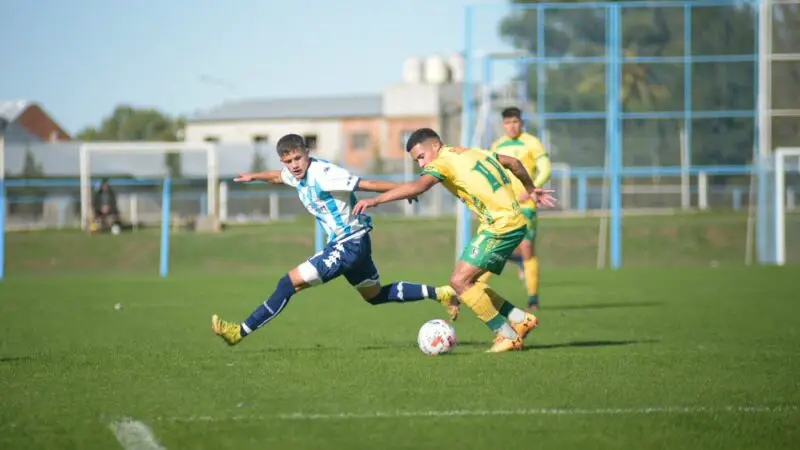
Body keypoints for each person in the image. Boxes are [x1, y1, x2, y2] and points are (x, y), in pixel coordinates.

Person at [211, 134, 459, 346]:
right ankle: (441, 293)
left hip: (348, 244)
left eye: (298, 158)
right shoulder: (292, 174)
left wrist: (406, 190)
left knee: (287, 284)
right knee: (374, 296)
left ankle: (239, 332)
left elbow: (368, 184)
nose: (294, 165)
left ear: (307, 153)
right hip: (355, 243)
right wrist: (254, 176)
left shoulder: (325, 174)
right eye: (288, 161)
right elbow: (278, 176)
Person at [353, 128, 556, 353]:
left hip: (502, 225)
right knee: (468, 283)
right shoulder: (471, 152)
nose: (421, 164)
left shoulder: (442, 161)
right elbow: (514, 163)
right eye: (417, 161)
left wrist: (376, 200)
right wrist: (531, 189)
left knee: (459, 282)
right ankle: (520, 318)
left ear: (435, 146)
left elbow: (419, 186)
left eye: (421, 157)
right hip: (503, 222)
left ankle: (507, 335)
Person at [487, 107, 552, 311]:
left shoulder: (531, 142)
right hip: (505, 205)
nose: (511, 126)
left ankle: (533, 298)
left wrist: (531, 189)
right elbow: (492, 174)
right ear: (503, 124)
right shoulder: (497, 145)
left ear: (521, 122)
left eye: (515, 121)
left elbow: (546, 168)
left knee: (527, 248)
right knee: (497, 247)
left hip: (527, 204)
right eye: (507, 122)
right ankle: (475, 286)